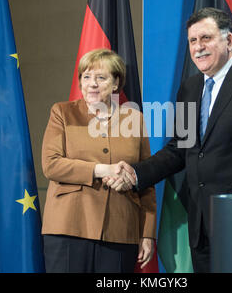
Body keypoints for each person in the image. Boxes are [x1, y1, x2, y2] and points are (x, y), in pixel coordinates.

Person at [106, 8, 232, 272]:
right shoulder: (190, 88)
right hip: (201, 226)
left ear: (229, 41)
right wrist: (135, 173)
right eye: (193, 41)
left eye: (205, 38)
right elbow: (178, 150)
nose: (198, 47)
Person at [41, 48, 156, 273]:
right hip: (68, 226)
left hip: (120, 230)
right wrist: (103, 169)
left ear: (115, 83)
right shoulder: (62, 113)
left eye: (100, 78)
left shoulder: (134, 119)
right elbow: (51, 164)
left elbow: (146, 179)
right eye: (86, 77)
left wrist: (147, 232)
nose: (92, 83)